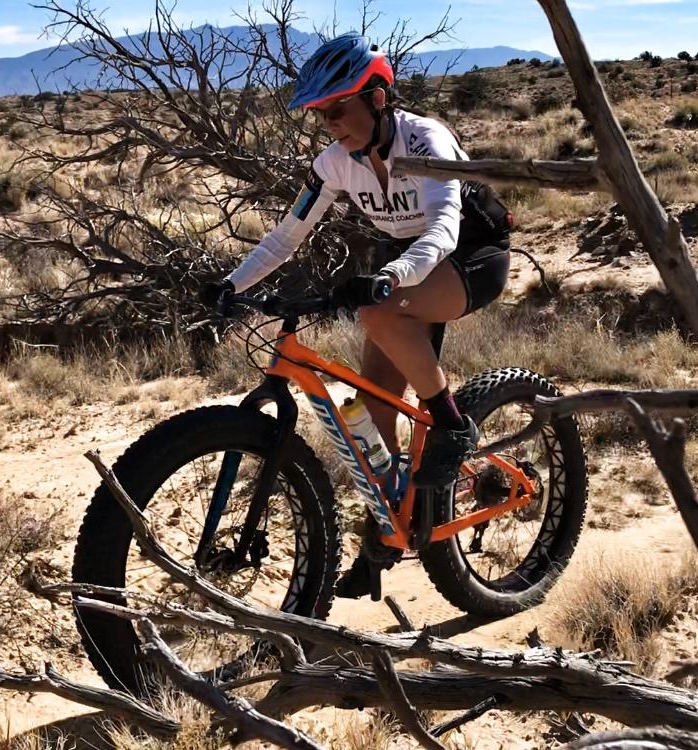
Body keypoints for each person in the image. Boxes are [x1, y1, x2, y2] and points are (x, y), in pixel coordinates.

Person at [202, 33, 513, 598]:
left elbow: (444, 229)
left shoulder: (426, 140)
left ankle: (450, 424)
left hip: (471, 255)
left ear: (376, 97)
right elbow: (286, 236)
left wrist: (393, 276)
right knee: (371, 416)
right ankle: (384, 538)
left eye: (338, 107)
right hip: (410, 266)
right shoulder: (334, 162)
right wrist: (232, 282)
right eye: (320, 113)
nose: (329, 122)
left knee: (375, 312)